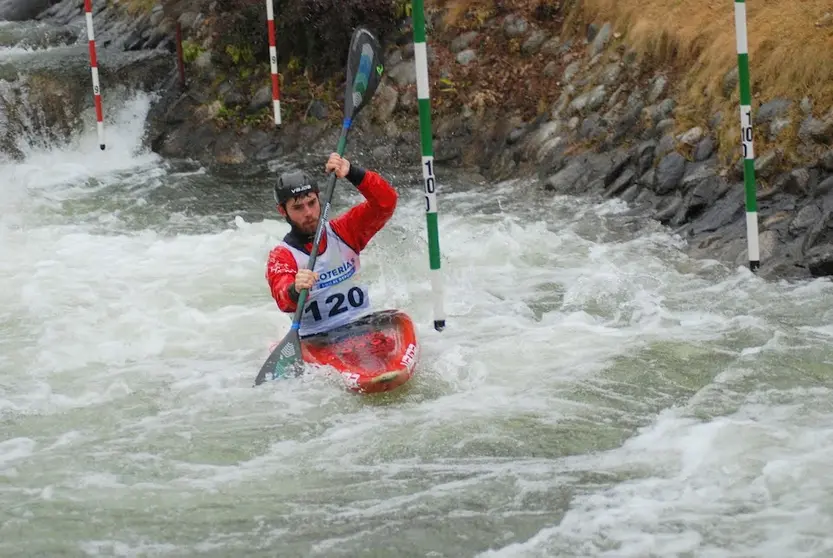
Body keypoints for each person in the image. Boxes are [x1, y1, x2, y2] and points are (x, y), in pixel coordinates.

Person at [266, 152, 398, 338]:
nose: (309, 213)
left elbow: (386, 203)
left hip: (363, 324)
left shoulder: (345, 231)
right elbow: (283, 298)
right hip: (318, 339)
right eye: (298, 208)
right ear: (282, 211)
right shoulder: (282, 256)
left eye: (312, 203)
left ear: (319, 199)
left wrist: (353, 173)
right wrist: (294, 289)